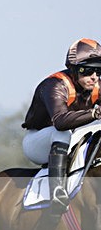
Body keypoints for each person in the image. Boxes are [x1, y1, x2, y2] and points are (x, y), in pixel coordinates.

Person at [22, 38, 101, 214]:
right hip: (38, 141)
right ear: (73, 69)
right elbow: (60, 122)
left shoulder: (97, 86)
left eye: (98, 71)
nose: (94, 77)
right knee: (62, 133)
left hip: (72, 137)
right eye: (88, 70)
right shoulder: (54, 85)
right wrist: (95, 114)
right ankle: (57, 191)